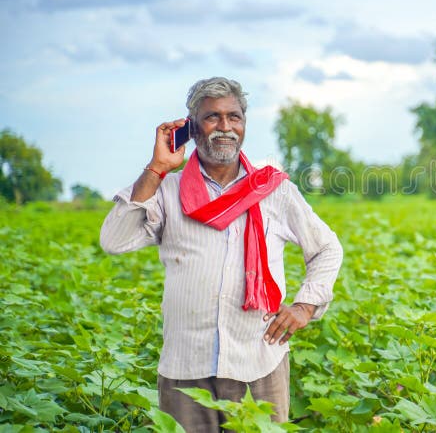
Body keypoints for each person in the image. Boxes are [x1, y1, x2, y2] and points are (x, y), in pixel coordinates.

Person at [100, 77, 343, 431]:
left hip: (258, 362)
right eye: (212, 117)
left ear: (244, 124)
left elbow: (327, 248)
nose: (225, 127)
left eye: (235, 117)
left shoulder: (273, 191)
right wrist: (156, 168)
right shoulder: (167, 191)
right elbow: (114, 239)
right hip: (185, 367)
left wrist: (306, 305)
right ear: (191, 127)